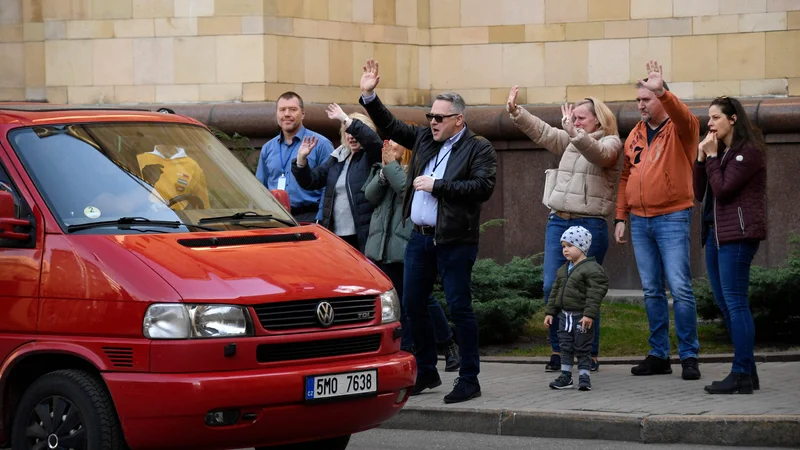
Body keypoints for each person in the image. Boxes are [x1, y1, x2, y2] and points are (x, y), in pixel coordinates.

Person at [358, 58, 497, 404]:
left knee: (459, 306)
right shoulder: (424, 139)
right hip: (419, 238)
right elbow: (390, 126)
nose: (432, 123)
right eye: (430, 117)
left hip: (453, 240)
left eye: (439, 118)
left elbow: (483, 186)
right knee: (412, 305)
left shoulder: (479, 147)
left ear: (458, 120)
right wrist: (370, 96)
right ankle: (426, 371)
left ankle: (469, 378)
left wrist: (439, 186)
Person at [506, 86, 622, 374]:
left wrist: (575, 133)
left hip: (590, 224)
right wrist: (517, 112)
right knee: (552, 286)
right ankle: (559, 352)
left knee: (584, 292)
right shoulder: (570, 140)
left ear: (598, 120)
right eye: (574, 117)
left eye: (582, 117)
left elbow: (598, 154)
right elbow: (544, 132)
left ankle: (587, 355)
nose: (576, 121)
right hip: (559, 220)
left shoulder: (611, 142)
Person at [615, 60, 701, 381]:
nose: (641, 104)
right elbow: (625, 176)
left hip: (673, 216)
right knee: (652, 291)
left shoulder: (682, 129)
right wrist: (621, 216)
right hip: (640, 220)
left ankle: (689, 355)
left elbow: (684, 116)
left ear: (660, 99)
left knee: (680, 288)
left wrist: (662, 91)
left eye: (646, 99)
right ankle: (659, 354)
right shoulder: (635, 134)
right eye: (639, 99)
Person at [363, 139, 460, 372]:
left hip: (407, 243)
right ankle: (408, 349)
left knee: (420, 298)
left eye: (395, 148)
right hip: (384, 245)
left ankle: (447, 343)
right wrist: (384, 173)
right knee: (399, 301)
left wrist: (391, 168)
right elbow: (370, 195)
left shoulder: (417, 170)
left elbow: (405, 191)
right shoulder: (382, 169)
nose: (389, 151)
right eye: (387, 148)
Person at [693, 96, 767, 394]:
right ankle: (748, 371)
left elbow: (723, 190)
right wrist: (702, 158)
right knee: (727, 304)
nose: (709, 124)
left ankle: (740, 375)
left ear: (733, 118)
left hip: (737, 236)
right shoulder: (720, 153)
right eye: (708, 119)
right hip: (716, 235)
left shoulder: (747, 153)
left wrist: (711, 158)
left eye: (715, 118)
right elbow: (701, 193)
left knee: (736, 304)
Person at [292, 104, 381, 253]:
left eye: (354, 131)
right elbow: (311, 181)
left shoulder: (371, 156)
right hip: (336, 234)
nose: (351, 136)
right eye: (347, 132)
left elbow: (373, 141)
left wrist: (345, 119)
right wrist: (301, 160)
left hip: (362, 234)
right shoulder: (338, 156)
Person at [544, 226, 609, 391]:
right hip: (564, 317)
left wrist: (589, 314)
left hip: (581, 317)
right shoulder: (563, 269)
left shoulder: (592, 269)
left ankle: (584, 376)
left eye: (569, 246)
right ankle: (566, 376)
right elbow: (555, 292)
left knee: (582, 347)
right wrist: (550, 312)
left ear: (582, 247)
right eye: (563, 246)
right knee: (564, 345)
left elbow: (595, 294)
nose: (565, 250)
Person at [256, 91, 333, 222]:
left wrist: (321, 219)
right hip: (276, 218)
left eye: (293, 109)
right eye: (282, 110)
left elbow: (329, 186)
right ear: (277, 114)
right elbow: (259, 187)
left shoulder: (320, 144)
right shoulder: (268, 148)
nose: (287, 114)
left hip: (309, 217)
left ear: (302, 114)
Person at [138, 144, 210, 210]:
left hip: (180, 221)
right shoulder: (140, 160)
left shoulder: (193, 166)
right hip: (142, 218)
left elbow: (203, 206)